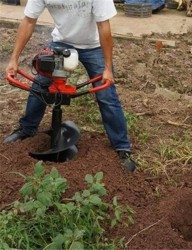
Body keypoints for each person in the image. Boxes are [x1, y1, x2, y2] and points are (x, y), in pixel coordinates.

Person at [4, 0, 136, 172]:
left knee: (106, 94)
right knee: (41, 85)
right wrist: (14, 59)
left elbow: (104, 27)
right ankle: (27, 129)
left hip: (93, 46)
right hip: (61, 42)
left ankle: (122, 147)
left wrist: (108, 68)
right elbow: (29, 21)